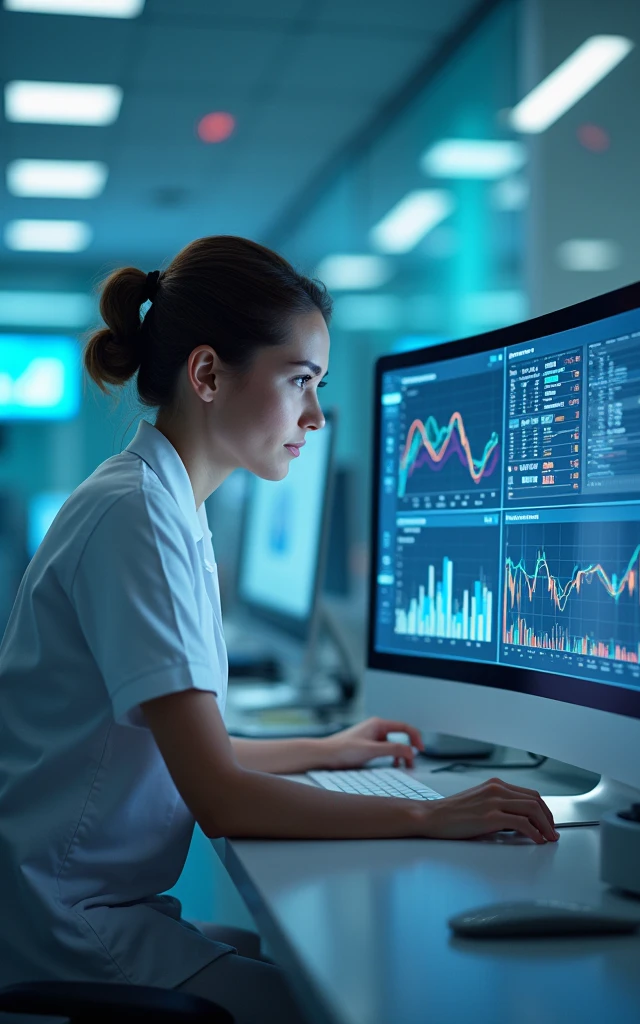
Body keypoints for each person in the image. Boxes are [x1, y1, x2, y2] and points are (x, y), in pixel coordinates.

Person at [0, 236, 558, 1024]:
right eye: (300, 381)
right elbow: (220, 798)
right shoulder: (138, 518)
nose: (316, 416)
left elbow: (191, 756)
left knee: (298, 964)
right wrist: (428, 813)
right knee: (337, 1001)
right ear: (206, 374)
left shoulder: (156, 502)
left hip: (80, 906)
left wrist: (329, 750)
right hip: (67, 928)